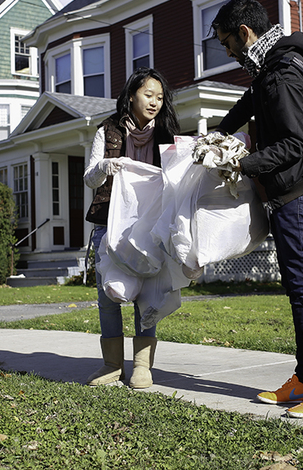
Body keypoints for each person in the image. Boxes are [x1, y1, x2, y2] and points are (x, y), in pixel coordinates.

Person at [208, 0, 303, 418]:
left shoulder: (280, 74)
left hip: (299, 195)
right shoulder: (269, 69)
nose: (227, 51)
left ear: (244, 34)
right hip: (292, 195)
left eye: (226, 42)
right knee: (298, 289)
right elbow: (248, 105)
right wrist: (215, 136)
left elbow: (290, 144)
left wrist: (240, 163)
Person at [83, 67, 181, 389]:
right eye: (148, 95)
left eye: (160, 97)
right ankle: (112, 366)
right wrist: (104, 167)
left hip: (149, 228)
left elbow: (180, 178)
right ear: (131, 96)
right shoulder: (107, 131)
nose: (154, 102)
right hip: (108, 225)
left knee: (147, 296)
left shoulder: (166, 134)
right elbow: (88, 179)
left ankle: (142, 366)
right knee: (108, 296)